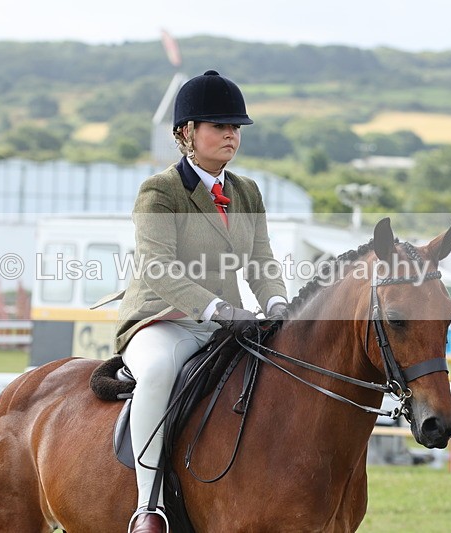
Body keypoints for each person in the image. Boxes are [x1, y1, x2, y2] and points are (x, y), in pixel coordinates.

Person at [115, 70, 288, 533]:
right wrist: (217, 309)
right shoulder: (161, 190)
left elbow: (262, 261)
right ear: (186, 133)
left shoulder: (246, 191)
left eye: (236, 127)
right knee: (156, 372)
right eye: (219, 126)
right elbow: (159, 266)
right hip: (163, 319)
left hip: (229, 322)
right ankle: (147, 506)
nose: (231, 134)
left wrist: (276, 306)